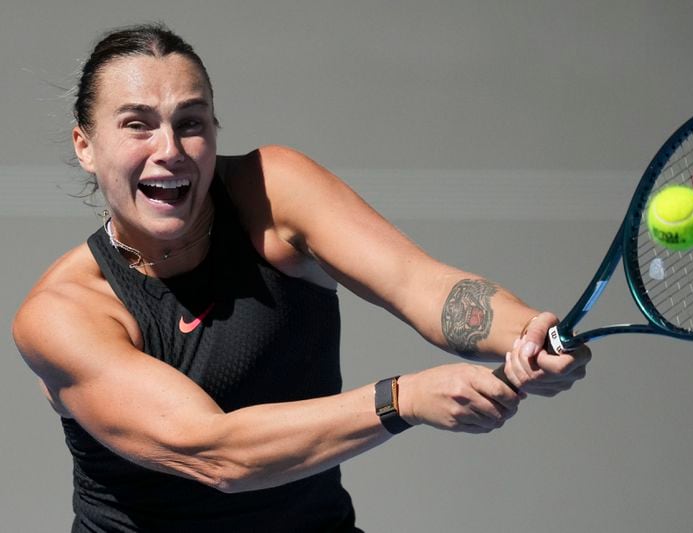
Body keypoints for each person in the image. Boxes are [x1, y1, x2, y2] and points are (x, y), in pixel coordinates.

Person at [12, 23, 591, 532]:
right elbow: (217, 453)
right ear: (86, 147)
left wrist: (524, 333)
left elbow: (422, 285)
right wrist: (402, 400)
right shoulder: (62, 315)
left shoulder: (274, 193)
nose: (170, 150)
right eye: (138, 125)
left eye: (190, 123)